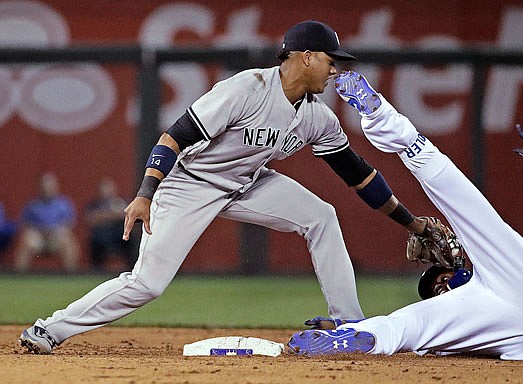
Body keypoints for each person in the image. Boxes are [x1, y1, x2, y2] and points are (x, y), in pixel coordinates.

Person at [18, 21, 437, 354]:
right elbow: (174, 136)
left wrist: (412, 223)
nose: (336, 70)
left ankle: (349, 324)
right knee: (147, 283)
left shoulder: (317, 117)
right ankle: (49, 329)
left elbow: (359, 175)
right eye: (331, 61)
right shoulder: (247, 88)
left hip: (249, 184)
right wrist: (146, 193)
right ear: (306, 57)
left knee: (321, 216)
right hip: (190, 184)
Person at [288, 70, 523, 360]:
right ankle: (343, 340)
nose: (439, 286)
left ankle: (384, 119)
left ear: (457, 269)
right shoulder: (456, 316)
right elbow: (409, 325)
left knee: (465, 205)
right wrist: (355, 329)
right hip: (514, 334)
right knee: (404, 325)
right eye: (435, 289)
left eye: (439, 279)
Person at [13, 172, 79, 273]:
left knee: (68, 242)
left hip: (56, 237)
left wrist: (57, 231)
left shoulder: (64, 204)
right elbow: (25, 225)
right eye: (44, 186)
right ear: (39, 187)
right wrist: (38, 231)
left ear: (55, 187)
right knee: (26, 241)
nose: (47, 189)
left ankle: (70, 275)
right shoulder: (32, 205)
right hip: (38, 238)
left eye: (49, 186)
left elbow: (69, 224)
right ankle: (19, 275)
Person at [85, 177, 134, 272]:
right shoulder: (94, 204)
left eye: (109, 188)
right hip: (101, 236)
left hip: (118, 236)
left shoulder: (121, 202)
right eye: (104, 189)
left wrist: (105, 216)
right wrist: (112, 215)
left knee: (130, 238)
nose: (107, 191)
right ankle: (96, 271)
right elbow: (91, 220)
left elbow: (128, 216)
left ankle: (132, 268)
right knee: (94, 241)